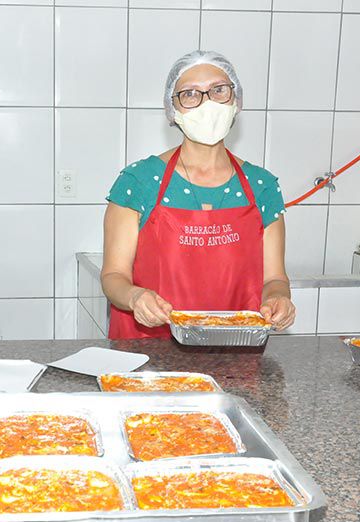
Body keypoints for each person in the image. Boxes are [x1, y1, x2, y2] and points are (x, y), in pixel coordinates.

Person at [102, 50, 295, 339]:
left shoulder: (262, 186)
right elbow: (113, 276)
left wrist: (279, 298)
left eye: (218, 90)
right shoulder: (139, 181)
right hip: (149, 351)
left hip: (234, 348)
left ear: (235, 99)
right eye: (190, 94)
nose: (207, 103)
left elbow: (275, 278)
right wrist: (134, 297)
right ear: (173, 108)